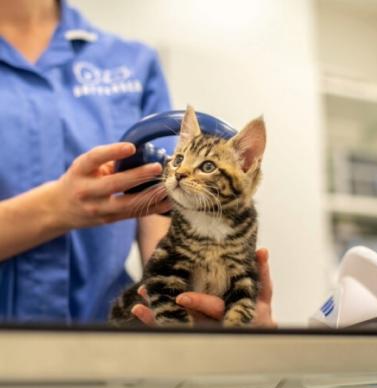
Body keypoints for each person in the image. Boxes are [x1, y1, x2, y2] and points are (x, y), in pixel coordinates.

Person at [0, 0, 275, 327]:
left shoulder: (133, 64)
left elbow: (159, 204)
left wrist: (196, 301)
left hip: (114, 340)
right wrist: (56, 209)